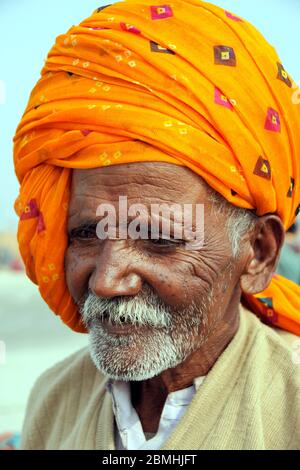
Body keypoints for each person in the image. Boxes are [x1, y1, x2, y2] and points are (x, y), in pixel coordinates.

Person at [13, 1, 300, 450]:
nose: (107, 281)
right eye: (86, 234)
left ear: (258, 252)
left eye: (158, 237)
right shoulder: (54, 400)